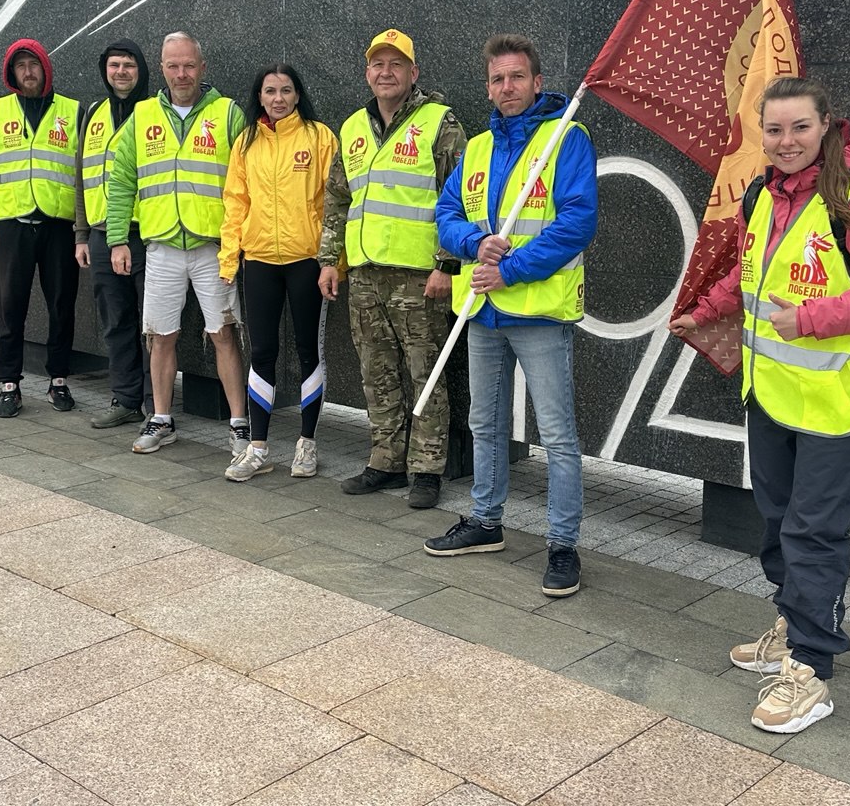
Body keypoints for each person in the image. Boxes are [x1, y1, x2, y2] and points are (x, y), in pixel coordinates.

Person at [669, 75, 850, 734]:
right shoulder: (764, 194)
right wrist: (708, 310)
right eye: (774, 129)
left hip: (835, 403)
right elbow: (749, 272)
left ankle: (811, 669)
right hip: (773, 396)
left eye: (799, 127)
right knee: (778, 523)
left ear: (826, 125)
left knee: (813, 532)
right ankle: (793, 622)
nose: (786, 141)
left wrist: (808, 319)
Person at [423, 34, 598, 600]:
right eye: (498, 79)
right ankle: (486, 521)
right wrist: (475, 244)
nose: (507, 87)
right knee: (485, 423)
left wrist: (511, 269)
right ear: (488, 88)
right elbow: (446, 213)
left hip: (538, 312)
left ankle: (563, 545)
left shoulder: (566, 137)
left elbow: (576, 223)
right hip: (482, 312)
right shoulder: (477, 148)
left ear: (537, 82)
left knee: (558, 436)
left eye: (517, 77)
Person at [317, 29, 466, 509]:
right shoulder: (352, 128)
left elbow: (461, 197)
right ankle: (386, 461)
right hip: (364, 274)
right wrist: (329, 260)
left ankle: (427, 469)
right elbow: (338, 199)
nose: (386, 72)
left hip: (420, 277)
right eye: (378, 64)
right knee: (376, 373)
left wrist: (447, 264)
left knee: (426, 375)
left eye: (396, 64)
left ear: (413, 72)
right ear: (367, 73)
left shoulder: (439, 123)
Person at [104, 32, 250, 456]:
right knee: (160, 336)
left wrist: (239, 242)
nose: (181, 74)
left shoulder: (228, 114)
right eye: (173, 66)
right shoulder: (143, 115)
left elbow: (247, 181)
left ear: (203, 67)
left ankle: (240, 423)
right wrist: (117, 239)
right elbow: (121, 181)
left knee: (224, 333)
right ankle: (162, 418)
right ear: (162, 69)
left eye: (188, 65)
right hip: (162, 246)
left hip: (213, 248)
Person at [218, 65, 339, 481]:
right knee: (262, 353)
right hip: (260, 261)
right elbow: (236, 202)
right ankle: (257, 448)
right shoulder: (246, 141)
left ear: (298, 94)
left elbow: (333, 202)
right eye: (270, 91)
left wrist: (332, 261)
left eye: (286, 90)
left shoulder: (319, 137)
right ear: (260, 96)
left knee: (308, 352)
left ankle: (307, 444)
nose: (278, 98)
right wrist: (229, 258)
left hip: (307, 261)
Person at [0, 38, 82, 418]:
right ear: (11, 72)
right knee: (10, 308)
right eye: (21, 66)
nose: (28, 72)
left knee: (62, 306)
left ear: (45, 68)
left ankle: (58, 381)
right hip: (11, 226)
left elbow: (85, 171)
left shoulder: (72, 111)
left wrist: (82, 229)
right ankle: (9, 385)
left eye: (33, 64)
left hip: (59, 225)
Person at [74, 39, 153, 428]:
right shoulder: (93, 113)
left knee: (154, 325)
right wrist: (81, 234)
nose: (121, 72)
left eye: (129, 65)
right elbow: (81, 176)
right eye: (114, 65)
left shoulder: (154, 112)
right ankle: (125, 398)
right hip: (103, 236)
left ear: (142, 70)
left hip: (147, 234)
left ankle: (157, 405)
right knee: (115, 322)